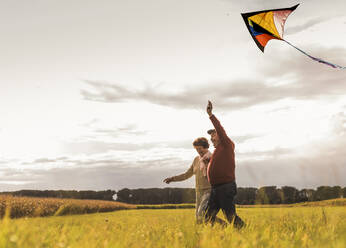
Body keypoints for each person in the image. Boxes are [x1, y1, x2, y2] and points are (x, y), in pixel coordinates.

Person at [163, 137, 223, 224]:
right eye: (196, 149)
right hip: (198, 191)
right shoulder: (196, 160)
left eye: (200, 148)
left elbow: (218, 174)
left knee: (202, 213)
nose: (198, 151)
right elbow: (187, 174)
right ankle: (205, 234)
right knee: (199, 218)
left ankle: (223, 225)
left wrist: (209, 164)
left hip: (209, 191)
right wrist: (173, 179)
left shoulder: (213, 158)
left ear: (206, 147)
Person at [204, 100, 245, 228]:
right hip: (215, 188)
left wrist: (211, 115)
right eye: (210, 137)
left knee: (230, 216)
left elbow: (220, 129)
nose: (211, 138)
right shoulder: (217, 151)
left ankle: (245, 231)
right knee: (207, 216)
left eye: (213, 135)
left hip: (226, 187)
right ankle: (225, 231)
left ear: (220, 136)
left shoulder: (227, 145)